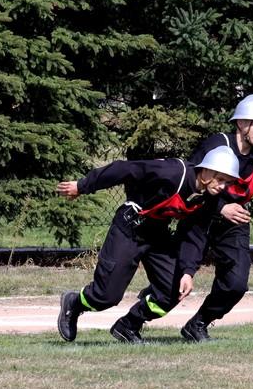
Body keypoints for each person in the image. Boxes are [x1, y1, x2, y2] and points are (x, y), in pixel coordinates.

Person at [56, 146, 240, 343]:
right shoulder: (173, 172)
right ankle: (74, 303)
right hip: (129, 230)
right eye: (220, 179)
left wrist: (188, 272)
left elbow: (195, 235)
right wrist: (83, 186)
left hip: (157, 234)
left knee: (173, 291)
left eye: (227, 182)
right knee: (107, 296)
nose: (223, 186)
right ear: (206, 171)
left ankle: (129, 325)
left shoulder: (208, 198)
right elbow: (123, 169)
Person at [174, 94, 253, 342]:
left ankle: (198, 324)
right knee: (173, 284)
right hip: (199, 217)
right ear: (242, 124)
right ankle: (133, 321)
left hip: (234, 226)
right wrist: (221, 207)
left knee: (236, 284)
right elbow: (193, 181)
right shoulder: (216, 144)